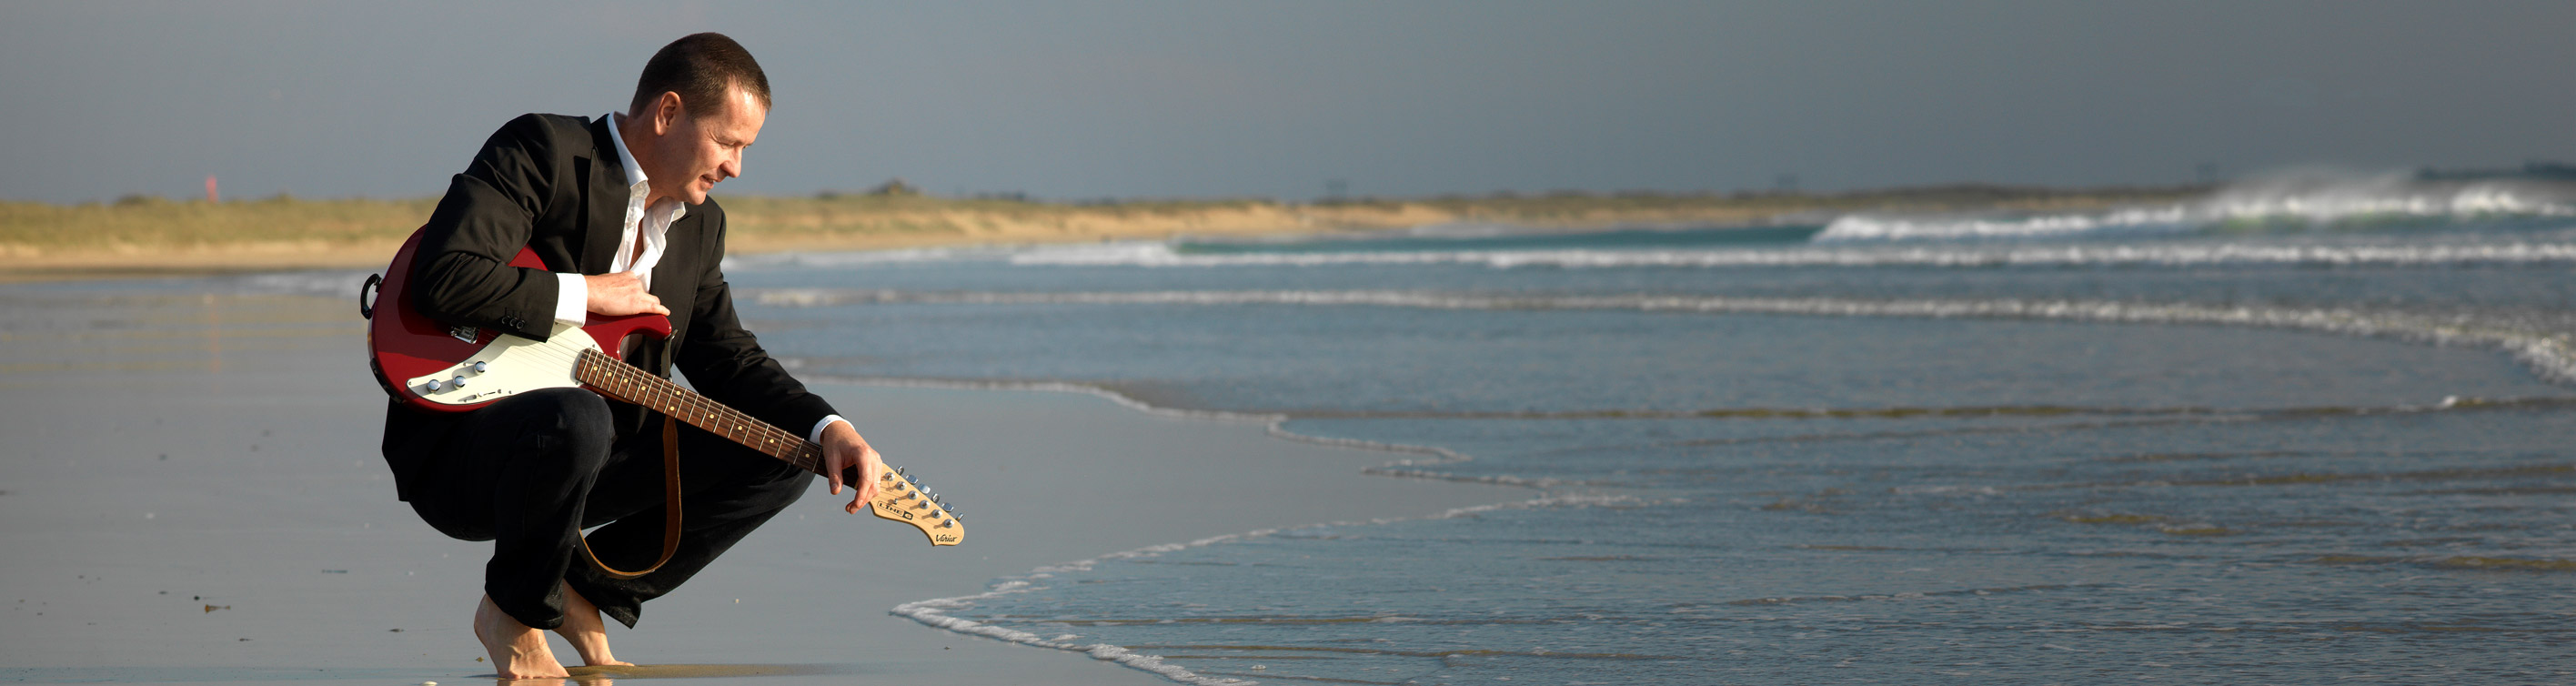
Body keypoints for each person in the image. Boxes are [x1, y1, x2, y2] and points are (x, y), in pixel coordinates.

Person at [377, 33, 888, 679]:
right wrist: (584, 293)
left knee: (787, 450)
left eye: (746, 149)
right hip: (466, 448)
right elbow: (445, 276)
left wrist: (829, 426)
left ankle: (583, 592)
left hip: (593, 459)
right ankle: (513, 610)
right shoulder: (544, 152)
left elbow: (725, 354)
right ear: (668, 113)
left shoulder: (701, 226)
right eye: (728, 143)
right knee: (580, 416)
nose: (736, 167)